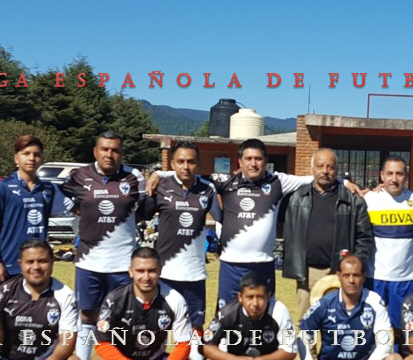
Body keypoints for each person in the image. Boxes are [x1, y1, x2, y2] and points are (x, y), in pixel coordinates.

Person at [149, 138, 360, 310]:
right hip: (231, 264)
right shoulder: (225, 181)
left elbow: (312, 178)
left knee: (263, 316)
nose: (253, 163)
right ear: (239, 161)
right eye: (248, 158)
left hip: (263, 264)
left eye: (258, 159)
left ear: (265, 160)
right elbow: (189, 173)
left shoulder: (277, 181)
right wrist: (159, 174)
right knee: (226, 318)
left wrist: (343, 182)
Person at [72, 247, 200, 360]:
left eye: (151, 271)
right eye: (140, 271)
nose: (146, 277)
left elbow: (183, 345)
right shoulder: (115, 299)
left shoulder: (174, 299)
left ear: (160, 271)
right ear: (130, 272)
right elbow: (102, 343)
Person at [60, 131, 146, 360]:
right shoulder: (79, 176)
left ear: (121, 153)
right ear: (95, 152)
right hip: (89, 261)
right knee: (88, 314)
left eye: (115, 150)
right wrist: (84, 212)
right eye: (105, 149)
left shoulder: (134, 177)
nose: (110, 154)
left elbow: (143, 210)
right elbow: (65, 198)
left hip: (123, 262)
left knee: (123, 317)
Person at [299, 255, 396, 360]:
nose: (351, 280)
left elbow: (385, 343)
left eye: (356, 275)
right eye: (347, 275)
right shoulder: (325, 303)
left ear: (363, 277)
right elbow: (304, 333)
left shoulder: (375, 302)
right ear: (339, 276)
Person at [281, 147, 373, 321]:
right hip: (307, 271)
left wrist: (353, 266)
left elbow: (364, 238)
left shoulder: (353, 200)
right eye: (320, 166)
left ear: (337, 171)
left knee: (339, 321)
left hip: (339, 272)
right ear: (312, 169)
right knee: (306, 322)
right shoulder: (296, 197)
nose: (325, 171)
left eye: (330, 167)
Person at [139, 140, 221, 329]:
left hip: (194, 274)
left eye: (191, 162)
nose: (186, 166)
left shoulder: (208, 189)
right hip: (164, 272)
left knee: (194, 328)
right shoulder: (161, 186)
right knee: (158, 328)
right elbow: (140, 216)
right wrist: (157, 174)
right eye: (181, 161)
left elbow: (222, 218)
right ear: (172, 164)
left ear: (198, 163)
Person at [363, 156, 413, 331]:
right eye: (389, 173)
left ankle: (399, 350)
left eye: (399, 174)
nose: (394, 179)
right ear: (382, 175)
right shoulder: (370, 199)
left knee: (401, 328)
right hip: (374, 276)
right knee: (371, 327)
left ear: (406, 176)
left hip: (404, 278)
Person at [0, 134, 71, 281]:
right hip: (10, 264)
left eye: (37, 154)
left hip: (39, 266)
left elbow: (77, 209)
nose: (32, 158)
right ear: (16, 158)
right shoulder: (3, 187)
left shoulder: (49, 188)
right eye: (26, 154)